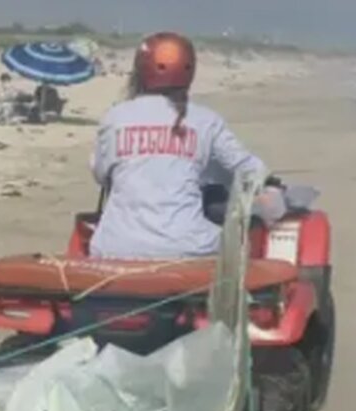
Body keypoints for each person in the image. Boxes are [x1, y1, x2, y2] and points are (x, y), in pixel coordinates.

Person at [88, 32, 280, 260]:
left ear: (139, 71)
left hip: (113, 247)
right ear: (190, 73)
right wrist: (270, 183)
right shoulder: (206, 121)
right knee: (243, 243)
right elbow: (251, 170)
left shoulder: (114, 117)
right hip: (187, 247)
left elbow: (101, 174)